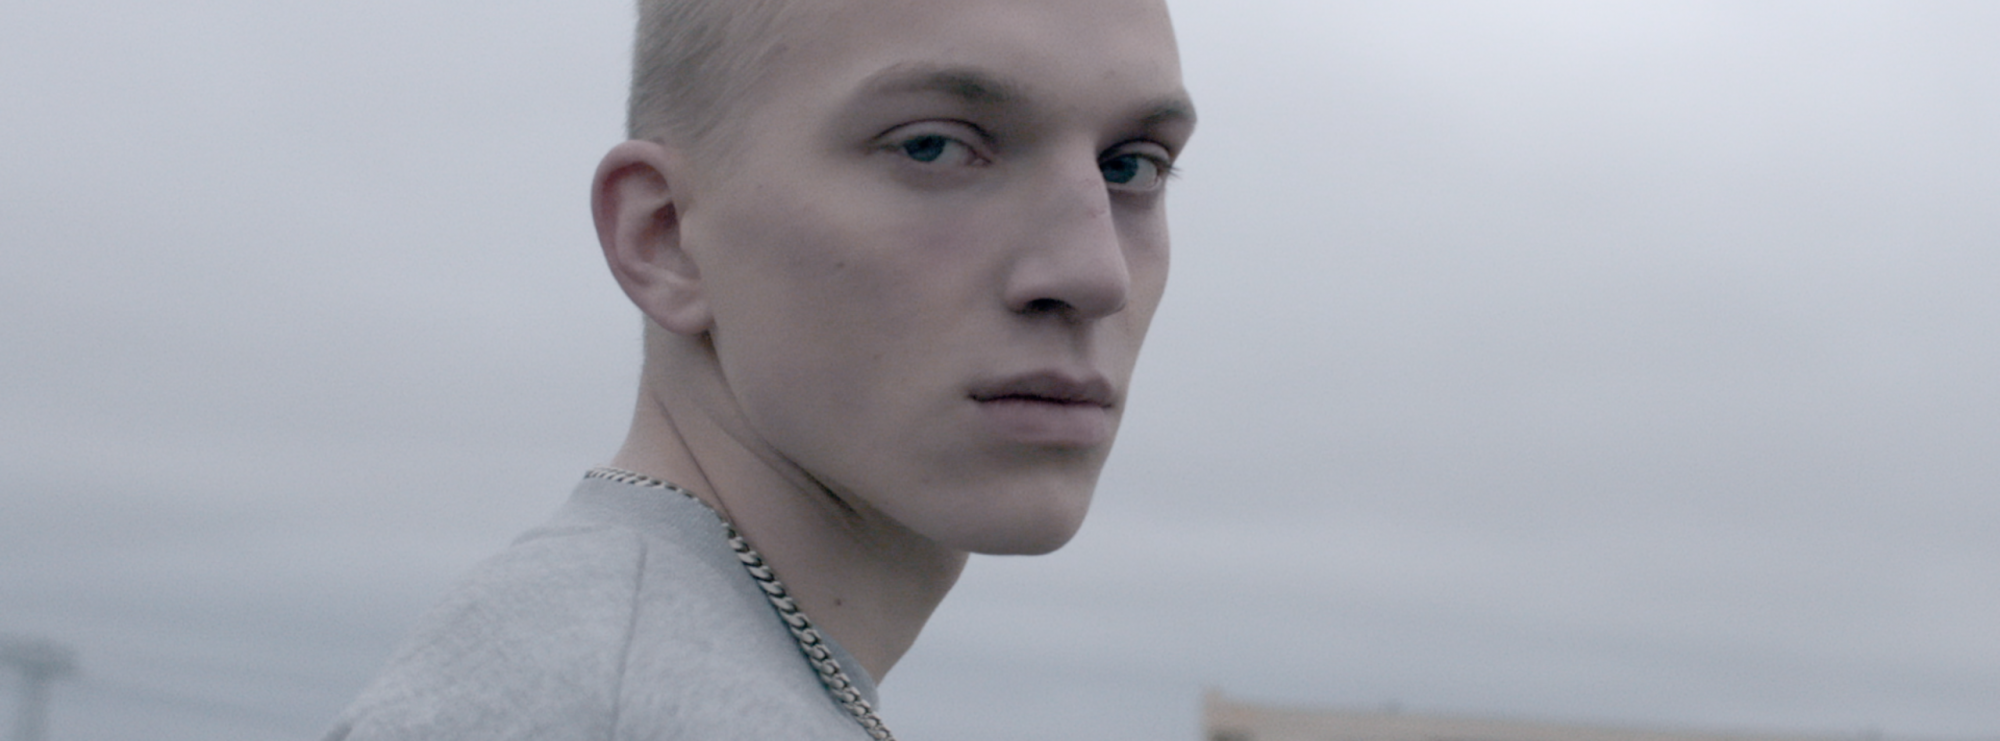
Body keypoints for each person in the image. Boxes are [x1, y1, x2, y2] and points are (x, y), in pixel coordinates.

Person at [325, 0, 1195, 737]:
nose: (1096, 274)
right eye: (933, 146)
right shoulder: (607, 707)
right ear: (665, 236)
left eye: (1132, 166)